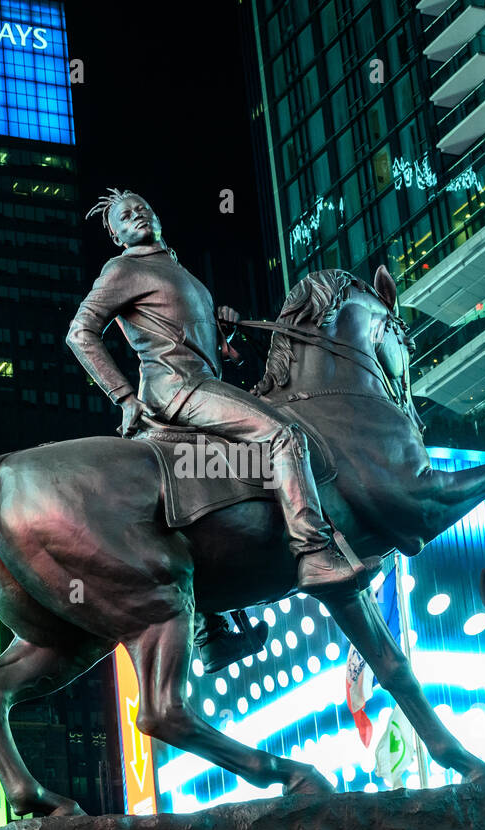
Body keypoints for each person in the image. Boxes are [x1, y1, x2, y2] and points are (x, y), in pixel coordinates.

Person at [66, 189, 371, 613]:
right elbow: (80, 332)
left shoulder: (181, 273)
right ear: (117, 235)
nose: (135, 215)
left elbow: (207, 353)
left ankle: (212, 629)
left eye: (142, 208)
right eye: (124, 216)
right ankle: (315, 553)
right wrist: (123, 396)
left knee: (223, 476)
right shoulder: (122, 269)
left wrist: (222, 332)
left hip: (197, 383)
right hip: (177, 389)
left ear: (156, 217)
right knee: (284, 436)